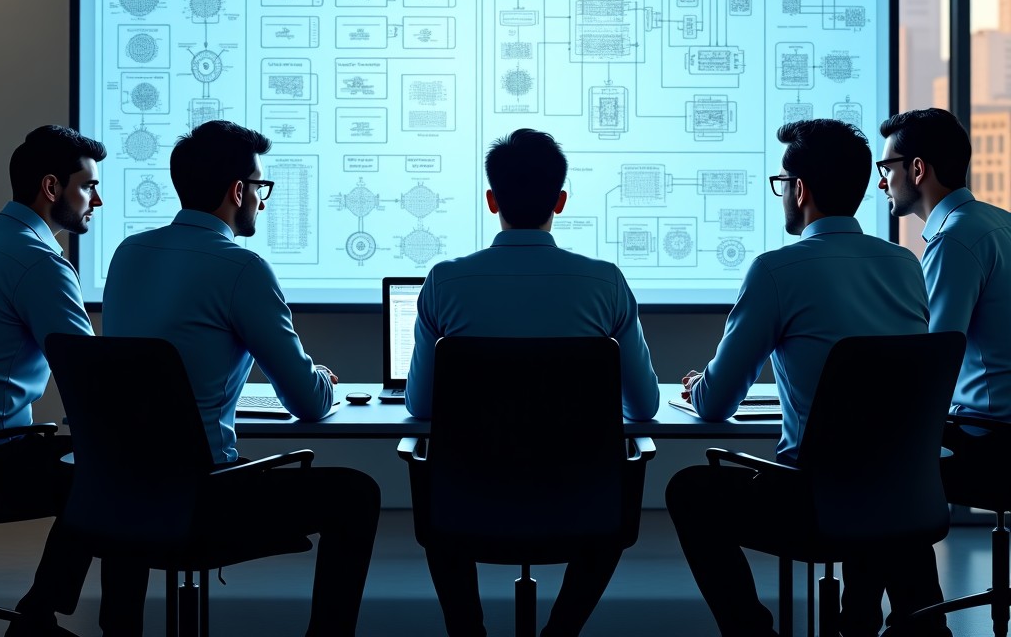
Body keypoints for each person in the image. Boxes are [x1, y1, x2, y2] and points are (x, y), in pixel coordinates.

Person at [665, 118, 948, 637]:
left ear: (799, 189)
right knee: (870, 473)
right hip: (902, 497)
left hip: (816, 507)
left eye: (780, 185)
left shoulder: (776, 270)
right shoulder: (905, 265)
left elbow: (714, 404)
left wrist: (699, 382)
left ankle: (754, 633)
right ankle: (863, 619)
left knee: (689, 491)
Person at [102, 120, 380, 637]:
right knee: (357, 493)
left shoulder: (126, 254)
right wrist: (321, 374)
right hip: (204, 501)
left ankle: (121, 629)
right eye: (260, 186)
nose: (263, 199)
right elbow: (309, 401)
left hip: (122, 493)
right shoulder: (241, 268)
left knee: (140, 465)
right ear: (238, 191)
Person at [405, 127, 659, 637]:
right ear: (560, 201)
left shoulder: (444, 281)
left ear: (491, 199)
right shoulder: (605, 283)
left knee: (432, 485)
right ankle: (560, 633)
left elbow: (420, 404)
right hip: (583, 501)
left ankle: (468, 633)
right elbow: (645, 406)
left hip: (466, 501)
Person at [0, 124, 105, 636]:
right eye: (87, 186)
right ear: (52, 188)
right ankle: (38, 617)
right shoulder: (39, 263)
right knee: (106, 476)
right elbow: (90, 377)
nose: (95, 200)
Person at [878, 107, 1011, 504]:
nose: (883, 183)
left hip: (990, 440)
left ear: (917, 169)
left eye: (886, 168)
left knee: (865, 471)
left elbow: (933, 357)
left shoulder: (953, 240)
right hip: (999, 429)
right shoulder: (998, 222)